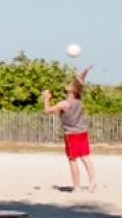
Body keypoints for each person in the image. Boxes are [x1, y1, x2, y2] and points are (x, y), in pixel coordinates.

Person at [41, 65, 96, 193]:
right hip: (82, 132)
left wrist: (46, 99)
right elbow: (79, 82)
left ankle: (76, 187)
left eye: (70, 86)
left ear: (72, 91)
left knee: (72, 159)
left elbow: (47, 111)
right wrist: (85, 71)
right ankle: (92, 181)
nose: (69, 85)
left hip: (72, 135)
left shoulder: (65, 104)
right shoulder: (78, 101)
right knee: (85, 157)